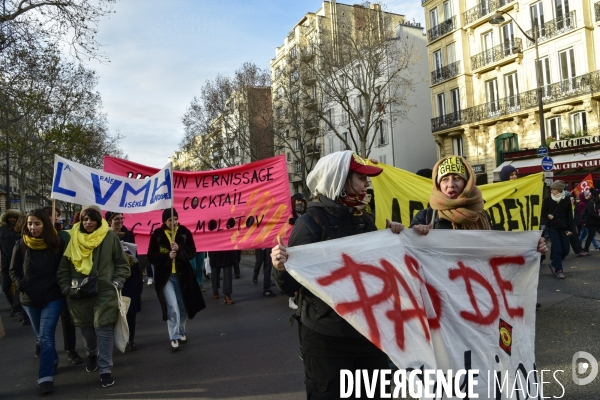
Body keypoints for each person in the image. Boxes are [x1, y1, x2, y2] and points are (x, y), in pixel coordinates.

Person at [270, 151, 404, 399]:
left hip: (368, 334)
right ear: (340, 181)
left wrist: (394, 240)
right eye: (361, 178)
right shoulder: (310, 223)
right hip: (327, 340)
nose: (367, 185)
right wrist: (279, 267)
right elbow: (291, 286)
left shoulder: (365, 219)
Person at [57, 205, 130, 388]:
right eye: (85, 219)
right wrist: (65, 287)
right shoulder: (72, 238)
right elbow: (64, 268)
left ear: (99, 220)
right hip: (79, 291)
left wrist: (118, 281)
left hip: (104, 290)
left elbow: (122, 263)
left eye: (92, 219)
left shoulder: (110, 236)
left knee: (103, 329)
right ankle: (91, 354)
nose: (88, 222)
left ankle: (105, 369)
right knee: (88, 331)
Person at [9, 209, 67, 394]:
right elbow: (13, 270)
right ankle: (53, 360)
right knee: (41, 337)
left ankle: (45, 378)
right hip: (29, 299)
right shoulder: (21, 245)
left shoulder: (58, 244)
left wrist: (61, 285)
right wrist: (22, 285)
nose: (32, 228)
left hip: (53, 297)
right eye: (30, 224)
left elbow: (65, 268)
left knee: (46, 337)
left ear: (45, 225)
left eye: (37, 224)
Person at [147, 208, 205, 351]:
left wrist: (179, 250)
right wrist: (167, 257)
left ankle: (181, 330)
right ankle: (174, 337)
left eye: (175, 219)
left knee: (182, 305)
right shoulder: (157, 235)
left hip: (183, 276)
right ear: (164, 221)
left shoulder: (184, 232)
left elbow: (192, 252)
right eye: (169, 220)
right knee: (172, 306)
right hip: (165, 278)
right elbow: (151, 256)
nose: (173, 222)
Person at [41, 206, 83, 364]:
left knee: (67, 319)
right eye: (52, 215)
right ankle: (42, 346)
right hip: (44, 285)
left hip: (62, 283)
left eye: (57, 215)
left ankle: (70, 349)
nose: (56, 218)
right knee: (44, 322)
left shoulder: (64, 235)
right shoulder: (36, 238)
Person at [105, 211, 143, 351]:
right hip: (111, 278)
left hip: (129, 277)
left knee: (130, 310)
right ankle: (114, 339)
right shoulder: (104, 236)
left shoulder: (128, 234)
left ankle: (130, 338)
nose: (120, 221)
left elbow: (135, 257)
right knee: (113, 310)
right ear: (109, 221)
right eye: (116, 219)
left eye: (122, 218)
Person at [541, 180, 573, 279]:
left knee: (566, 250)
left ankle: (553, 264)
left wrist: (570, 229)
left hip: (564, 228)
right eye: (551, 189)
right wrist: (548, 215)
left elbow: (569, 216)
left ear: (559, 190)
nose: (552, 191)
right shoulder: (548, 200)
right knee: (557, 250)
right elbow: (542, 212)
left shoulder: (566, 200)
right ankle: (559, 270)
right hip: (553, 227)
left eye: (554, 189)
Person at [0, 209, 24, 320]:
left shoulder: (21, 230)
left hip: (19, 264)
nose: (12, 219)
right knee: (5, 287)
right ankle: (14, 305)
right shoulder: (1, 230)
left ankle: (17, 309)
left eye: (14, 217)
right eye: (10, 218)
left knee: (19, 286)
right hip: (5, 264)